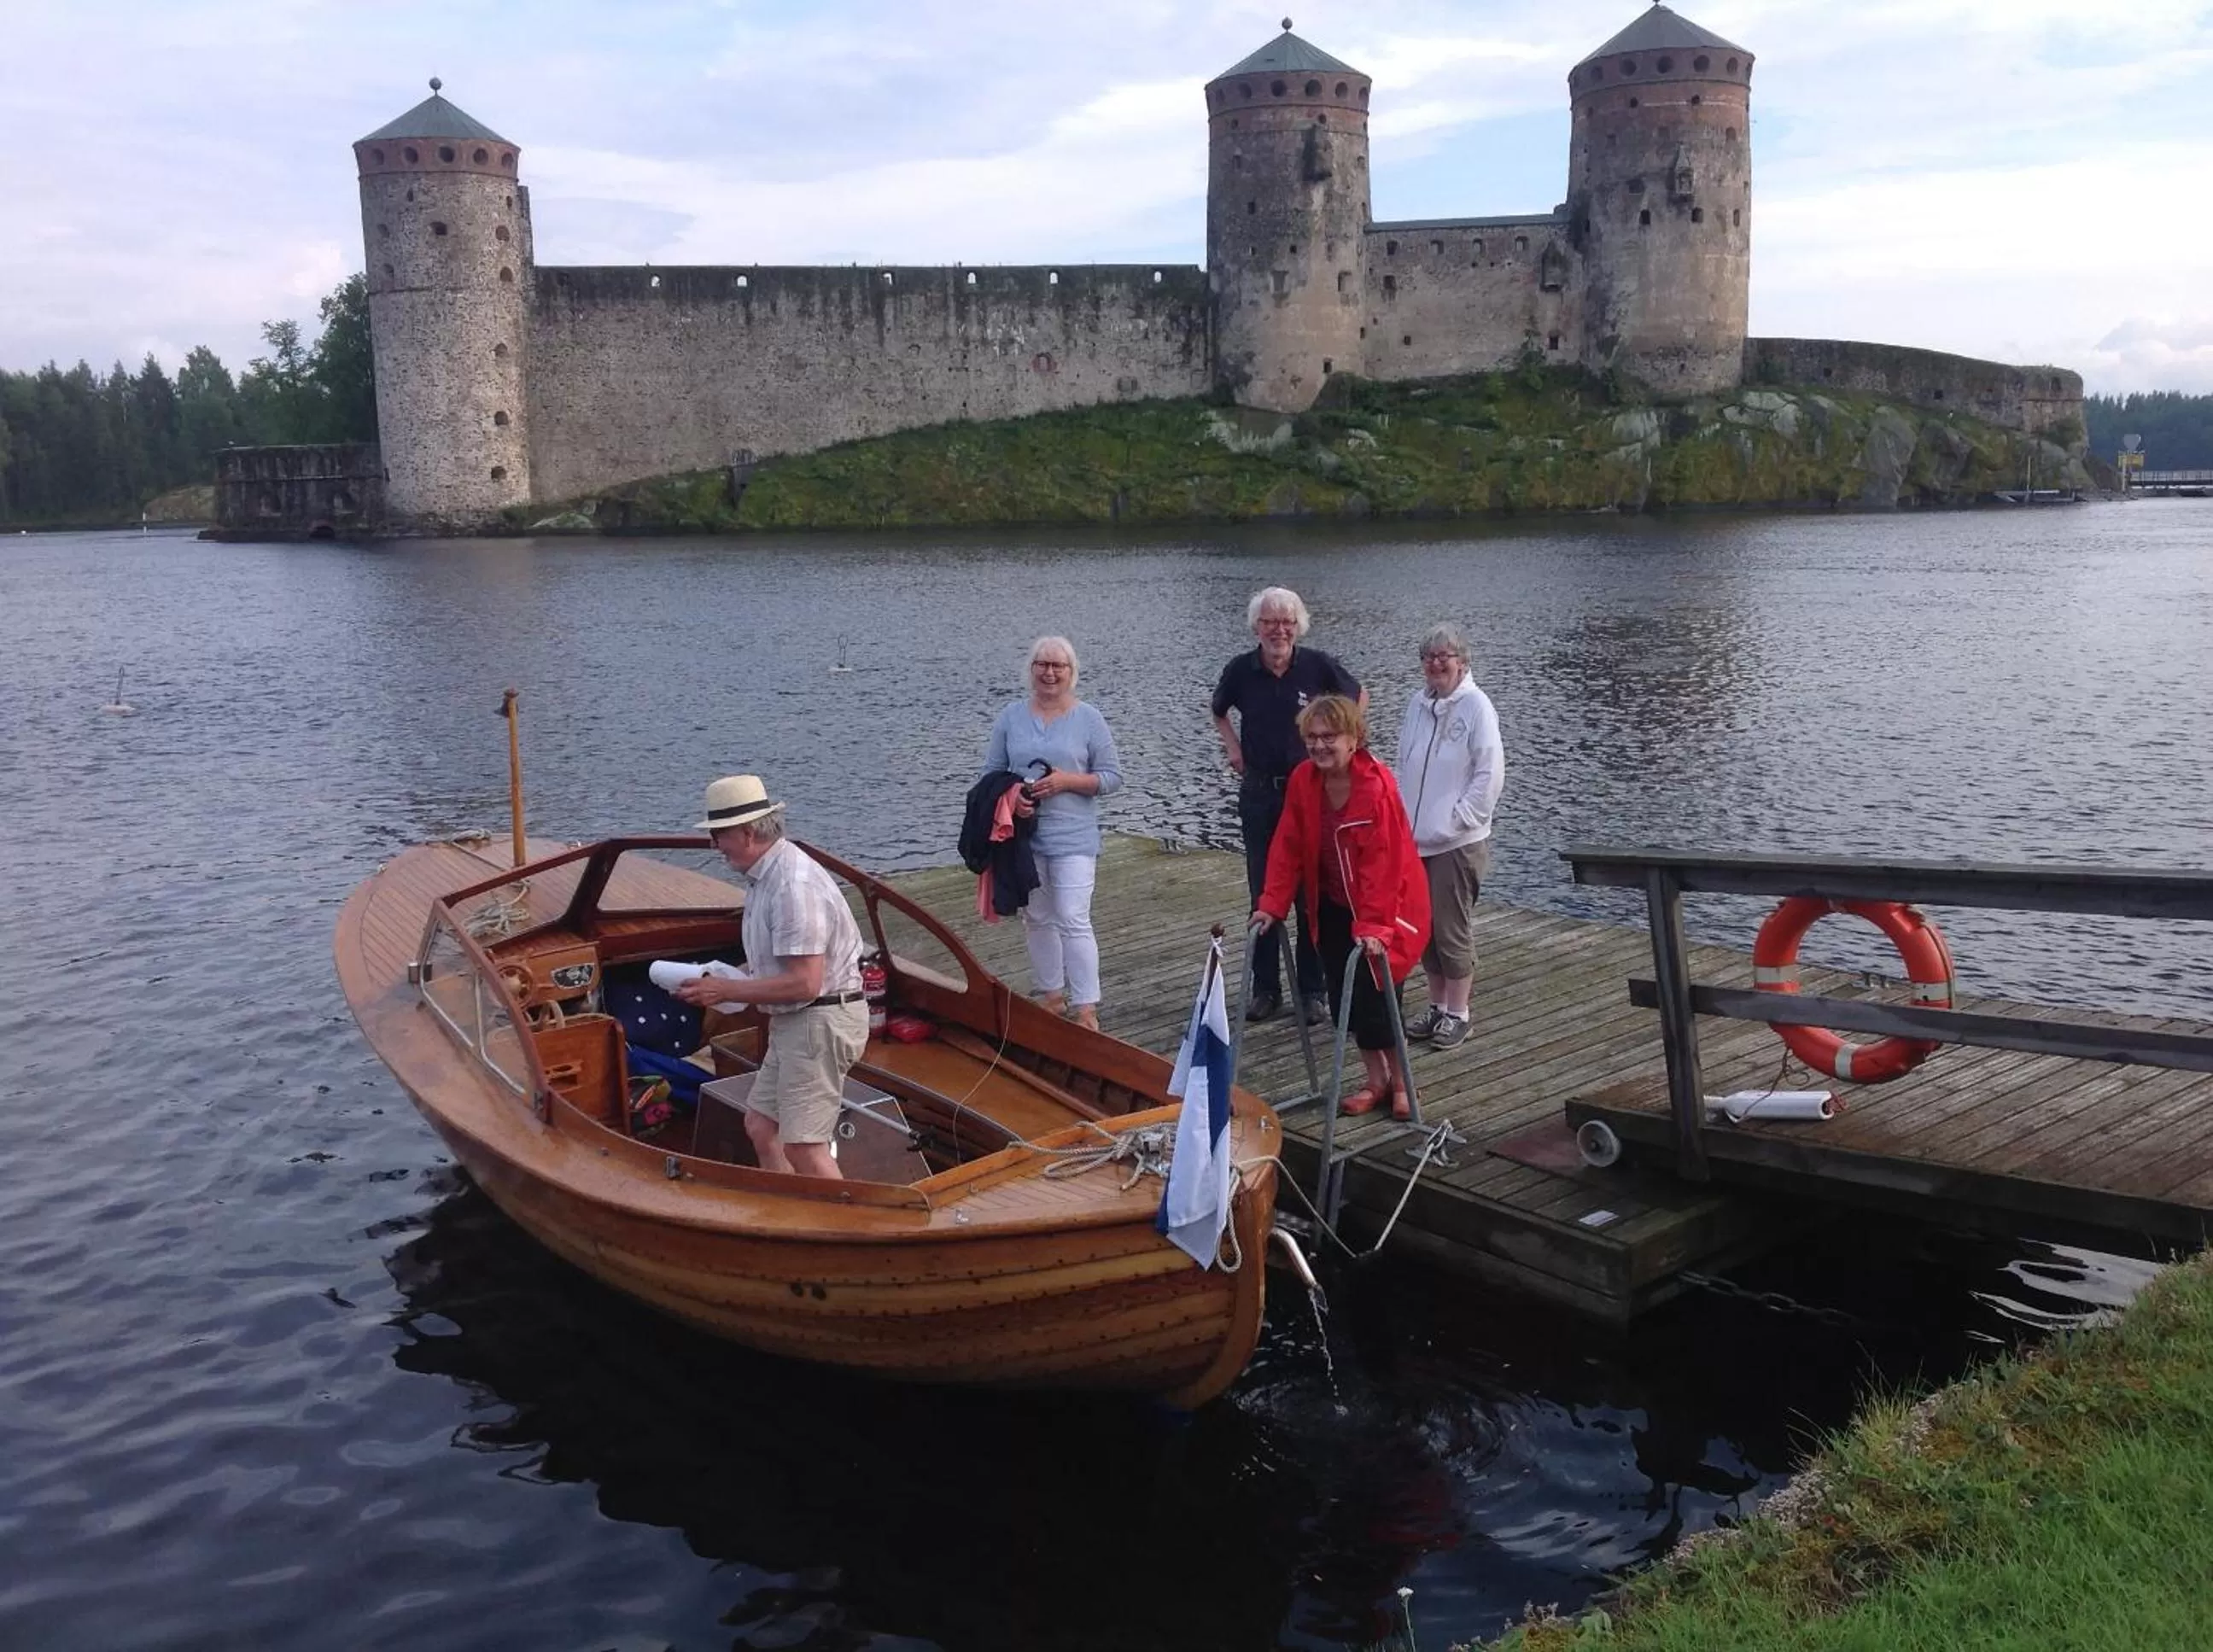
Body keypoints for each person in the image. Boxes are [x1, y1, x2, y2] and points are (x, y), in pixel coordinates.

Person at [671, 775, 867, 1179]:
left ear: (746, 833)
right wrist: (722, 979)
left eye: (718, 835)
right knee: (761, 1126)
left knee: (804, 1146)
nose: (714, 845)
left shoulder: (793, 887)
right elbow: (784, 970)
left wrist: (725, 989)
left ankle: (846, 1233)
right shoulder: (767, 876)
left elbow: (805, 983)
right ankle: (794, 1209)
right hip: (798, 1022)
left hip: (819, 1022)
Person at [1252, 695, 1430, 1118]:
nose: (1319, 746)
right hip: (1331, 903)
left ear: (1354, 740)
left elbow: (1382, 863)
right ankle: (1376, 1081)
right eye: (1312, 737)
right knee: (1345, 999)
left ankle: (1404, 1084)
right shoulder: (1303, 780)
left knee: (1380, 997)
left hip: (1387, 909)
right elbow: (1288, 844)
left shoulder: (1376, 786)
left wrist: (1374, 925)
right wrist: (1272, 903)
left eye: (1329, 737)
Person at [1212, 587, 1363, 1026]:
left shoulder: (1318, 665)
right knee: (1263, 891)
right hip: (1260, 792)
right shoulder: (1241, 670)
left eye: (1286, 622)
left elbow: (1356, 697)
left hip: (1310, 793)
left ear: (1298, 626)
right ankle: (1265, 989)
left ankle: (1312, 991)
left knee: (1311, 892)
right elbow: (1218, 710)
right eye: (1270, 622)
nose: (1279, 629)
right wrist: (1234, 750)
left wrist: (1345, 748)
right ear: (1256, 626)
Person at [980, 636, 1123, 1032]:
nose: (1049, 672)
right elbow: (989, 774)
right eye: (1042, 664)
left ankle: (1086, 1006)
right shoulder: (1010, 717)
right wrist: (1012, 798)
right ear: (1031, 670)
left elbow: (1112, 777)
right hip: (1025, 837)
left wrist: (1068, 782)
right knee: (1037, 917)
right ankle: (1051, 996)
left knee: (1074, 917)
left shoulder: (1089, 719)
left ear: (1071, 673)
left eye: (1058, 666)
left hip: (1074, 836)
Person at [1394, 623, 1504, 1050]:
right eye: (1430, 657)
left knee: (1451, 928)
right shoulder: (1417, 704)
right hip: (1416, 841)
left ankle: (1459, 1013)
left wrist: (1459, 820)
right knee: (1423, 929)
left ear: (1463, 662)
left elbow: (1489, 772)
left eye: (1446, 656)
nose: (1437, 664)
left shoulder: (1477, 706)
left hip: (1456, 843)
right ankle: (1437, 1005)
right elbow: (1405, 765)